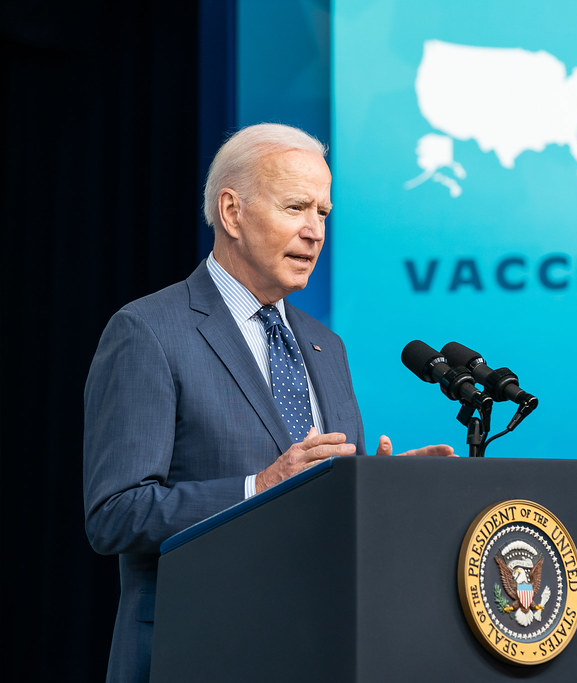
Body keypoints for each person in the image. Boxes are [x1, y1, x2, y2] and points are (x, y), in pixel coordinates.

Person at [83, 123, 454, 682]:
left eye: (323, 213)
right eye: (296, 207)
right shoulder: (148, 331)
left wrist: (372, 491)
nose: (314, 232)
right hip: (198, 653)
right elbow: (115, 515)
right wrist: (259, 488)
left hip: (319, 651)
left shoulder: (327, 346)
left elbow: (317, 501)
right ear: (232, 213)